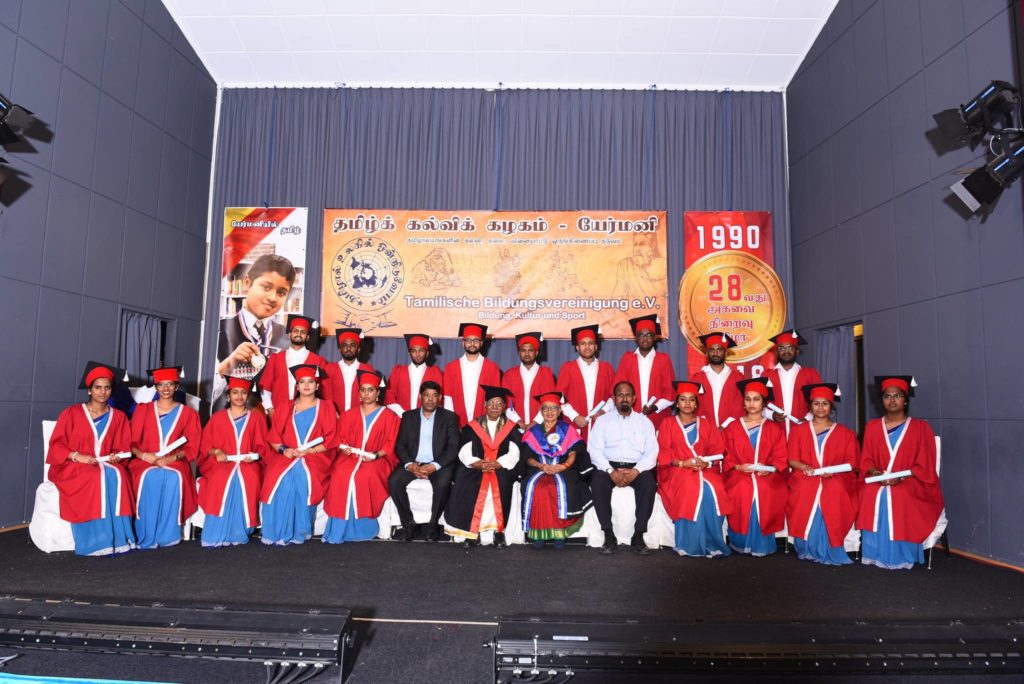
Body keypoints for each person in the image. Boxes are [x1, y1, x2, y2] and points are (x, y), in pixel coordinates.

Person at [47, 362, 136, 556]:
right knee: (94, 477)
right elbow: (56, 445)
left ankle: (119, 539)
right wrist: (77, 456)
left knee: (119, 476)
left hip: (105, 463)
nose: (102, 392)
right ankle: (95, 541)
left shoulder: (119, 417)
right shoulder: (71, 413)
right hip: (73, 465)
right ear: (89, 390)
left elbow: (123, 447)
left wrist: (116, 457)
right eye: (98, 388)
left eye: (107, 388)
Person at [856, 376, 943, 570]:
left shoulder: (920, 428)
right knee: (870, 492)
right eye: (887, 396)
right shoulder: (872, 427)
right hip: (879, 477)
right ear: (882, 400)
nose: (892, 400)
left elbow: (925, 464)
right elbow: (866, 460)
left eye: (897, 396)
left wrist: (901, 477)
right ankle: (874, 553)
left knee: (900, 493)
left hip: (912, 478)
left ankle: (902, 555)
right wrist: (876, 473)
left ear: (906, 400)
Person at [261, 364, 337, 545]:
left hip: (315, 456)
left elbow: (332, 438)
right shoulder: (285, 407)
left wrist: (310, 450)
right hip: (287, 455)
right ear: (297, 386)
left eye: (311, 381)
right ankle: (274, 532)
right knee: (276, 479)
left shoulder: (326, 407)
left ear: (317, 386)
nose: (306, 385)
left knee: (302, 476)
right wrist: (284, 450)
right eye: (302, 382)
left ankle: (299, 531)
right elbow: (274, 438)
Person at [128, 366, 201, 549]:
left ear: (176, 387)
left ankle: (168, 535)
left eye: (170, 384)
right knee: (149, 476)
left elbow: (192, 447)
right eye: (161, 384)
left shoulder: (188, 414)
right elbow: (130, 444)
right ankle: (144, 533)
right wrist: (145, 456)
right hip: (144, 460)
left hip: (174, 461)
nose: (166, 388)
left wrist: (172, 458)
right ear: (156, 387)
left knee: (173, 477)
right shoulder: (143, 410)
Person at [656, 380, 731, 558]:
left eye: (691, 400)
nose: (687, 403)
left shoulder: (707, 424)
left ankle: (713, 543)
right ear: (677, 403)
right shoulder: (667, 423)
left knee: (714, 490)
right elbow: (664, 453)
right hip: (677, 470)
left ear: (696, 404)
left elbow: (718, 450)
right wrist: (684, 464)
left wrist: (707, 463)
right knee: (690, 488)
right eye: (683, 399)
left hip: (706, 470)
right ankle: (688, 544)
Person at [322, 371, 400, 543]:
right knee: (340, 475)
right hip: (350, 457)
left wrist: (376, 455)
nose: (366, 394)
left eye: (371, 390)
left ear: (378, 393)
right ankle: (338, 529)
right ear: (358, 393)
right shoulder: (348, 415)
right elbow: (340, 439)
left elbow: (390, 444)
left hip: (379, 458)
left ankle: (364, 528)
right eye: (363, 390)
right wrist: (345, 449)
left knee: (364, 476)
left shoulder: (389, 416)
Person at [786, 383, 859, 565]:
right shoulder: (798, 431)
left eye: (825, 403)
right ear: (810, 406)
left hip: (836, 476)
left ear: (831, 406)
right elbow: (792, 460)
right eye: (816, 403)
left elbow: (852, 463)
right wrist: (804, 467)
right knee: (804, 489)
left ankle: (831, 546)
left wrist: (832, 471)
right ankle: (807, 546)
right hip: (805, 474)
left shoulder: (846, 433)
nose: (820, 408)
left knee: (835, 489)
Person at [214, 254, 295, 407]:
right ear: (247, 283)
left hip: (271, 417)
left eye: (281, 293)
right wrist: (227, 366)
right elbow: (204, 395)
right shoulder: (217, 331)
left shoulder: (288, 339)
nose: (272, 297)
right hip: (229, 416)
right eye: (266, 287)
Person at [444, 386, 521, 547]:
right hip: (477, 467)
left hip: (500, 468)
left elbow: (515, 451)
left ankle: (498, 532)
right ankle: (473, 532)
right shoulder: (473, 426)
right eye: (491, 403)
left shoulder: (510, 427)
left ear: (504, 407)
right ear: (484, 405)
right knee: (466, 481)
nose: (494, 407)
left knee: (502, 482)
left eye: (499, 404)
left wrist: (499, 463)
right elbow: (464, 450)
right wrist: (476, 463)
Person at [588, 381, 659, 555]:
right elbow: (594, 450)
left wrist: (636, 471)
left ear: (634, 399)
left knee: (649, 483)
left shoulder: (644, 422)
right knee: (597, 482)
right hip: (609, 466)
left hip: (637, 467)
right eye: (620, 395)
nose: (624, 398)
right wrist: (610, 471)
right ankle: (608, 535)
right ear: (614, 398)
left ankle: (638, 535)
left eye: (628, 395)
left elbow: (652, 452)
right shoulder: (602, 421)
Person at [197, 375, 267, 547]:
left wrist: (254, 455)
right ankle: (215, 533)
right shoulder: (217, 418)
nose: (239, 396)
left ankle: (239, 532)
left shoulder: (256, 418)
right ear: (228, 396)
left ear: (247, 396)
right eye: (235, 393)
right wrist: (216, 452)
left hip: (247, 462)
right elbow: (205, 445)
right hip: (221, 462)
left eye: (243, 393)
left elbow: (263, 446)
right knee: (219, 479)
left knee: (250, 478)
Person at [722, 377, 789, 556]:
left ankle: (762, 544)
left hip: (767, 474)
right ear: (743, 402)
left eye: (756, 399)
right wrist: (738, 467)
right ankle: (740, 542)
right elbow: (726, 454)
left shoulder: (775, 429)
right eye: (748, 399)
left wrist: (769, 469)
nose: (752, 403)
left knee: (765, 489)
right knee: (741, 488)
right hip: (739, 472)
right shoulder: (733, 427)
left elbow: (780, 456)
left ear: (764, 403)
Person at [520, 392, 592, 549]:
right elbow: (527, 457)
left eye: (554, 408)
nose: (549, 411)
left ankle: (560, 534)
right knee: (538, 488)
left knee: (560, 487)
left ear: (560, 411)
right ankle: (539, 534)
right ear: (541, 411)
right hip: (538, 468)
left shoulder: (567, 429)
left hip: (564, 467)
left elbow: (574, 452)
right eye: (545, 408)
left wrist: (564, 466)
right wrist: (541, 466)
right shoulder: (533, 432)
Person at [390, 380, 460, 542]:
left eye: (434, 396)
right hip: (414, 462)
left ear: (440, 398)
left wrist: (434, 466)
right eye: (426, 395)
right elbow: (400, 445)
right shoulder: (408, 416)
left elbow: (453, 448)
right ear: (420, 397)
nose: (430, 399)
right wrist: (410, 465)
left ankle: (433, 526)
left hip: (439, 464)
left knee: (442, 483)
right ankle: (409, 524)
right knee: (394, 481)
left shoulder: (449, 417)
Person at [258, 314, 328, 419]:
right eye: (295, 331)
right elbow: (265, 388)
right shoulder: (275, 359)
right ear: (289, 334)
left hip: (307, 414)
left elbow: (324, 391)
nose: (299, 334)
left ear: (308, 337)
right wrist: (269, 409)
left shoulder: (318, 361)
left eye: (303, 332)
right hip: (279, 412)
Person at [613, 315, 675, 428]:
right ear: (636, 338)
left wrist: (656, 406)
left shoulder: (663, 360)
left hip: (657, 416)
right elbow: (619, 390)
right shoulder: (627, 359)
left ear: (654, 337)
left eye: (649, 335)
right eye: (641, 335)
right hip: (630, 416)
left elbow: (670, 392)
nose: (645, 338)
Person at [557, 324, 614, 440]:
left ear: (596, 346)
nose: (587, 347)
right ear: (577, 347)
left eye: (590, 343)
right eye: (583, 343)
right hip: (574, 425)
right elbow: (559, 398)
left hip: (600, 424)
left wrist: (603, 411)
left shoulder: (606, 368)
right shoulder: (568, 368)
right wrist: (575, 416)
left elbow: (613, 396)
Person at [443, 323, 501, 427]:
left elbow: (495, 400)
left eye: (476, 340)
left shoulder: (492, 368)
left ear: (481, 343)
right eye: (468, 340)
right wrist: (451, 423)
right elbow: (448, 398)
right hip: (457, 424)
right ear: (463, 343)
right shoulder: (451, 368)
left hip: (484, 425)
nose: (472, 344)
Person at [764, 330, 822, 433]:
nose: (786, 351)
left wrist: (808, 418)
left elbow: (820, 401)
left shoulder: (811, 374)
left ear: (797, 351)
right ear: (776, 352)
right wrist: (771, 415)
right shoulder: (766, 376)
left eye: (790, 348)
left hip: (804, 430)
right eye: (781, 348)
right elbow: (759, 404)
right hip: (774, 431)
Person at [502, 332, 557, 430]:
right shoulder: (509, 374)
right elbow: (505, 402)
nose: (527, 354)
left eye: (530, 350)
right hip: (514, 426)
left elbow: (550, 402)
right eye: (523, 350)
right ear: (519, 353)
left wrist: (535, 422)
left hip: (541, 426)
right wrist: (518, 421)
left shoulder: (546, 373)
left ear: (536, 352)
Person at [690, 332, 744, 429]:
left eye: (719, 350)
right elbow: (695, 404)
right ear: (707, 353)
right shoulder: (697, 378)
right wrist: (708, 426)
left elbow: (740, 404)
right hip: (705, 429)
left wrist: (725, 426)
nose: (715, 353)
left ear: (726, 353)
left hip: (732, 429)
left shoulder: (738, 378)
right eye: (712, 350)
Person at [384, 333, 444, 416]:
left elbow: (439, 399)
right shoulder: (398, 371)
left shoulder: (435, 373)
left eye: (421, 351)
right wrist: (403, 414)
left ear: (427, 353)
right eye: (413, 351)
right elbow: (389, 396)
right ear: (409, 353)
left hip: (427, 418)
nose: (417, 354)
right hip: (401, 418)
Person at [324, 328, 376, 416]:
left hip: (360, 417)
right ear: (340, 349)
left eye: (352, 345)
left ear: (358, 349)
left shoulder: (367, 370)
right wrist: (332, 413)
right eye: (344, 345)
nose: (348, 348)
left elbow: (371, 397)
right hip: (335, 417)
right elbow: (325, 395)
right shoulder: (330, 369)